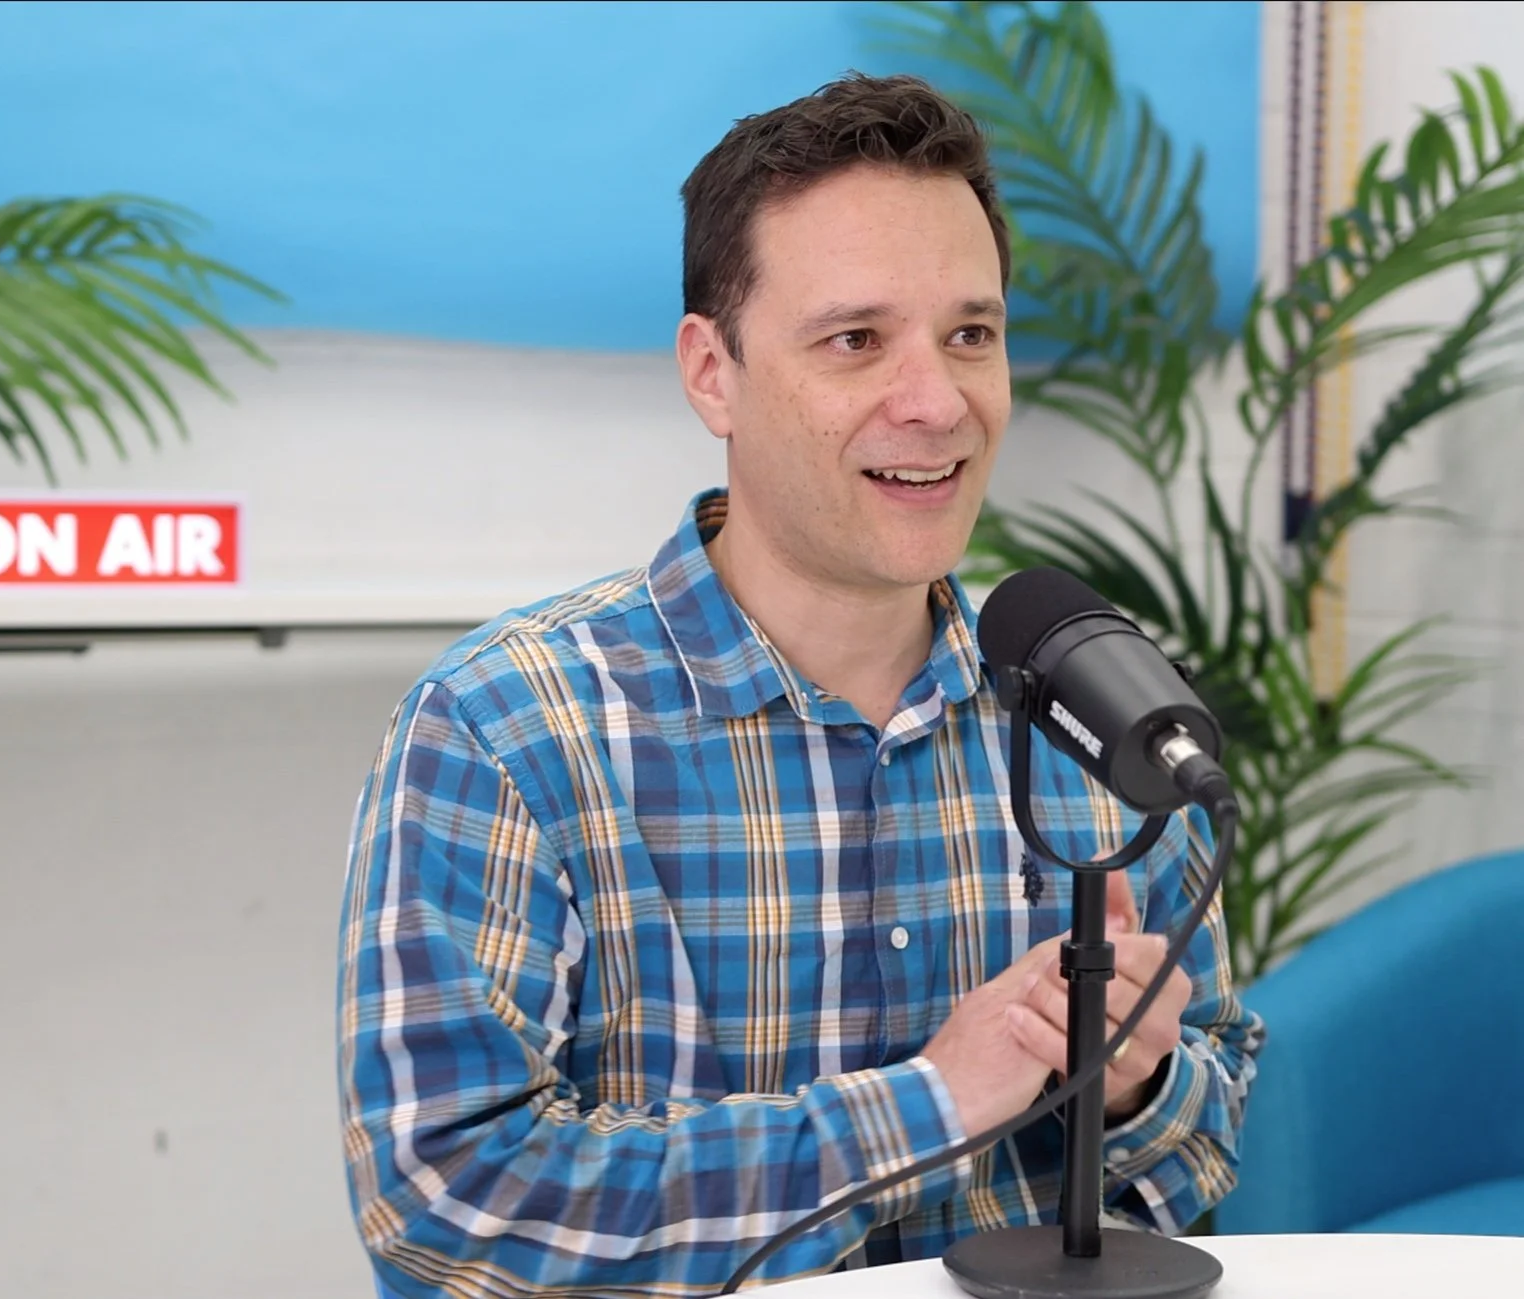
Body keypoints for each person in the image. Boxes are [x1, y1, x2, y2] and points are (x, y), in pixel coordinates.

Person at [334, 72, 1263, 1297]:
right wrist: (929, 1105)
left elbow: (1206, 1139)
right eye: (854, 341)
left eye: (970, 336)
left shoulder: (1091, 706)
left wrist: (1137, 1080)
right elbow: (447, 1207)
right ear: (711, 372)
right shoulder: (505, 728)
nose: (936, 404)